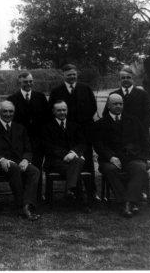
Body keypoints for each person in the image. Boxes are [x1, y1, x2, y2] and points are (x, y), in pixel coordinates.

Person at [93, 94, 150, 218]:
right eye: (115, 104)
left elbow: (145, 140)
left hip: (131, 158)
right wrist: (111, 157)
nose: (118, 106)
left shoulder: (133, 120)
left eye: (120, 103)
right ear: (108, 105)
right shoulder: (100, 123)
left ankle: (127, 203)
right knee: (110, 169)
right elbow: (98, 145)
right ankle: (130, 202)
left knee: (139, 168)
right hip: (109, 160)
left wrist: (149, 158)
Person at [0, 101, 41, 221]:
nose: (8, 114)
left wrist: (25, 159)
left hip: (18, 162)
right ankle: (20, 205)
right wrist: (1, 159)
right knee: (13, 168)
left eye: (11, 111)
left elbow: (28, 149)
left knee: (34, 171)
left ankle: (27, 204)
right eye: (5, 111)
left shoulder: (20, 128)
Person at [48, 63, 98, 199]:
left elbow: (93, 107)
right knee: (67, 159)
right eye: (69, 74)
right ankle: (74, 189)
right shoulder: (56, 91)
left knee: (87, 160)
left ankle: (91, 191)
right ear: (63, 75)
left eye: (74, 74)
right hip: (66, 131)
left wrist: (81, 123)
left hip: (84, 130)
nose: (72, 77)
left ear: (77, 74)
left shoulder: (85, 89)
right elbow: (51, 111)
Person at [41, 100, 90, 212]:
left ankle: (69, 190)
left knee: (75, 164)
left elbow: (82, 143)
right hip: (55, 161)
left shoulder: (75, 126)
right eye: (59, 110)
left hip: (73, 159)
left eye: (64, 110)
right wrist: (67, 155)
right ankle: (80, 201)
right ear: (53, 111)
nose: (62, 112)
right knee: (78, 163)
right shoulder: (47, 127)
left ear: (67, 111)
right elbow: (48, 147)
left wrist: (73, 153)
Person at [7, 72, 50, 200]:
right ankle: (23, 194)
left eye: (30, 81)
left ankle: (37, 194)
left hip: (37, 139)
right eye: (25, 82)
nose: (28, 84)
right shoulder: (12, 99)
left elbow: (46, 117)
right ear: (19, 82)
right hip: (20, 139)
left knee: (36, 165)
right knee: (22, 165)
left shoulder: (40, 97)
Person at [105, 65, 150, 140]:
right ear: (119, 80)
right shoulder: (113, 95)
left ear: (133, 79)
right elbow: (106, 114)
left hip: (139, 136)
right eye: (123, 78)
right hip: (119, 136)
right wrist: (114, 128)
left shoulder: (143, 94)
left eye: (128, 77)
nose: (126, 80)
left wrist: (140, 129)